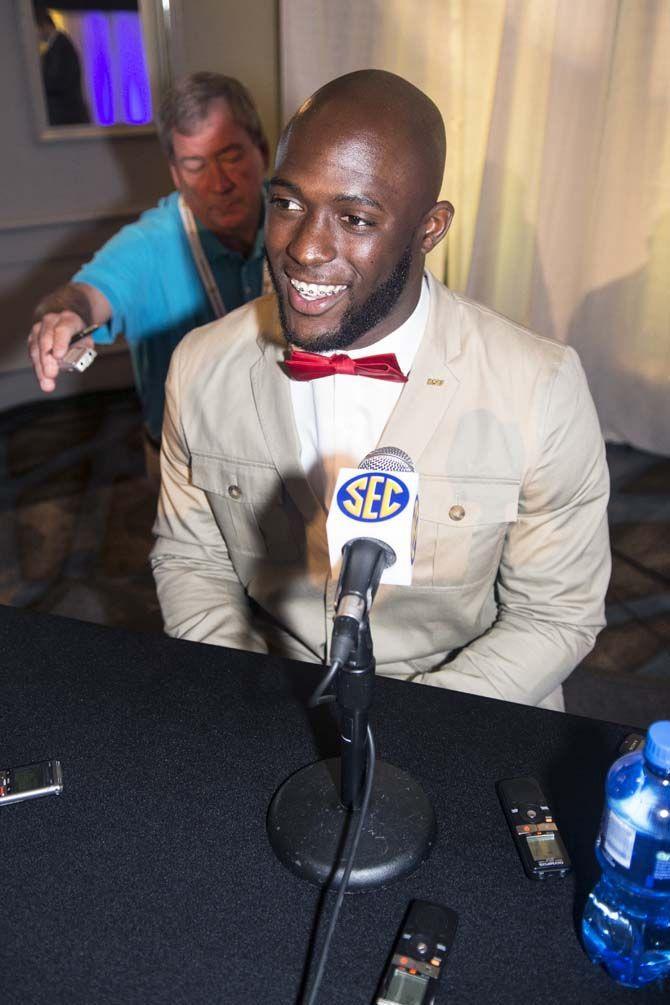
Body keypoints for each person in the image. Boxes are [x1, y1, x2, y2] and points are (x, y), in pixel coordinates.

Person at [150, 70, 611, 711]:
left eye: (355, 218)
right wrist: (251, 707)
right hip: (271, 698)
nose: (306, 249)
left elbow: (556, 616)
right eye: (287, 204)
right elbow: (192, 562)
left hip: (471, 707)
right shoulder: (200, 366)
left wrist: (416, 727)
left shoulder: (539, 387)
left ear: (430, 229)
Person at [27, 72, 269, 461]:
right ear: (175, 174)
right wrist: (61, 317)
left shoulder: (300, 216)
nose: (218, 182)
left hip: (283, 451)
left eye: (231, 155)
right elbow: (85, 296)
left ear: (263, 151)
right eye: (195, 164)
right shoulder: (147, 244)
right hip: (186, 463)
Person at [35, 9, 90, 126]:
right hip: (67, 114)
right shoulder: (58, 46)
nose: (35, 34)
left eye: (36, 29)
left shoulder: (60, 46)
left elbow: (55, 80)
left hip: (66, 115)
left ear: (44, 25)